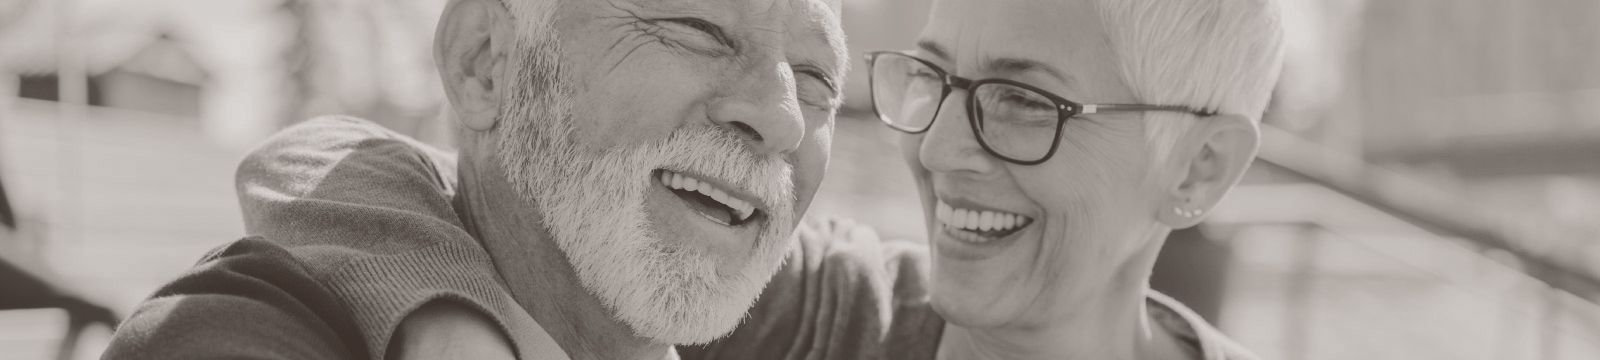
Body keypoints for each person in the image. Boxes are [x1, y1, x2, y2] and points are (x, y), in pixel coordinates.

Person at [102, 0, 857, 359]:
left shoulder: (798, 321)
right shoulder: (240, 335)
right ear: (484, 64)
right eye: (696, 29)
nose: (782, 116)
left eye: (817, 77)